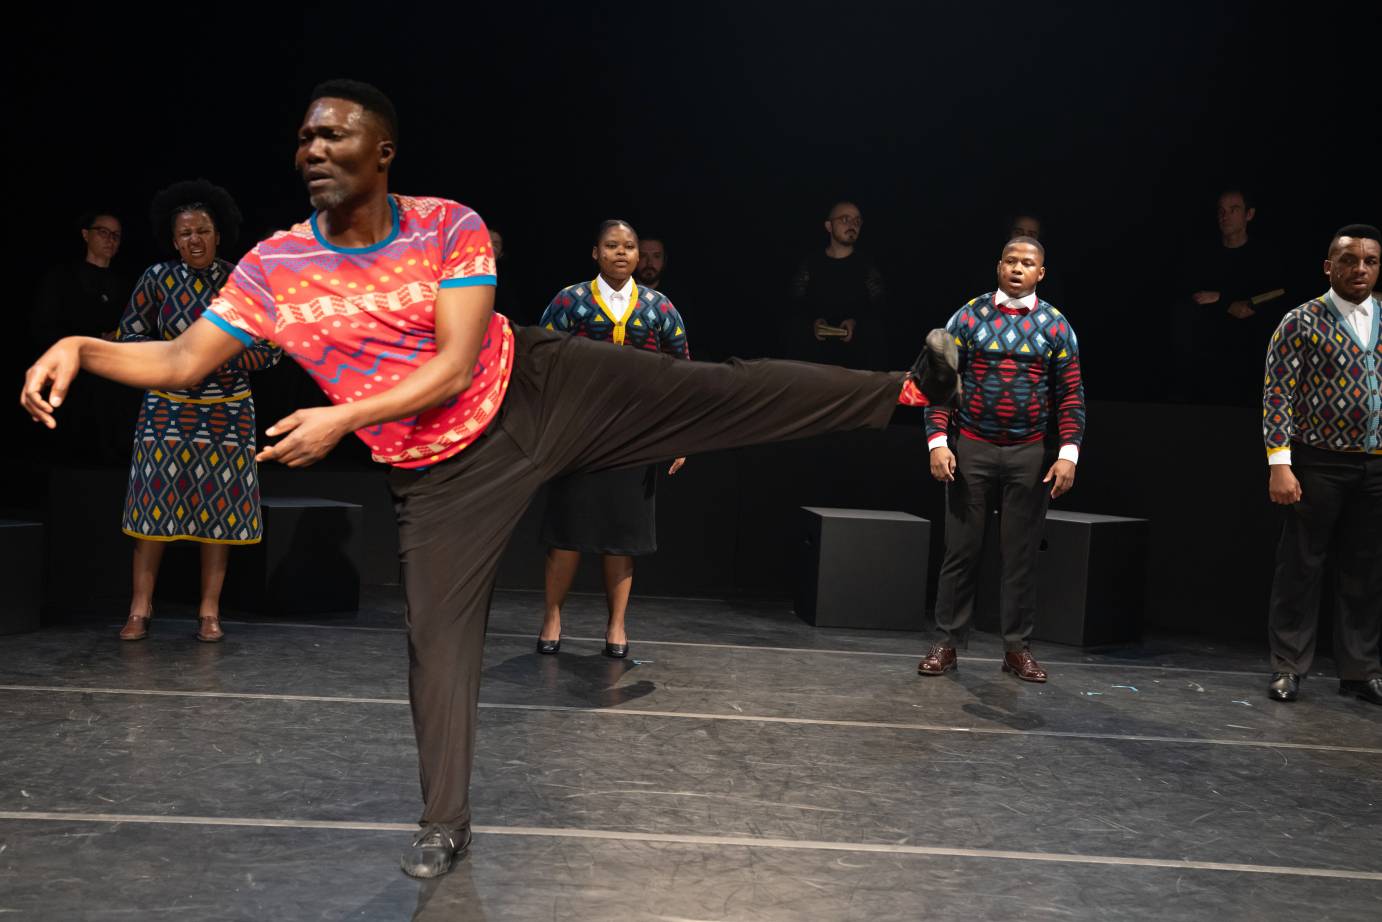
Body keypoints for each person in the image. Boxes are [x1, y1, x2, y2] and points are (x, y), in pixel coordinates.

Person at [20, 79, 957, 880]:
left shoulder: (446, 227)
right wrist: (79, 346)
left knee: (710, 389)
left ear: (381, 151)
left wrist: (342, 417)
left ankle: (907, 386)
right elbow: (183, 360)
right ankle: (445, 821)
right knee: (436, 643)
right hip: (436, 476)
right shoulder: (274, 266)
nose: (312, 146)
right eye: (303, 135)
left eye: (333, 132)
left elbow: (457, 362)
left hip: (537, 390)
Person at [115, 180, 281, 644]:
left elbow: (269, 349)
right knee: (152, 511)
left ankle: (209, 612)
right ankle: (140, 608)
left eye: (202, 230)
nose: (194, 240)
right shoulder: (156, 278)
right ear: (174, 241)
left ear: (217, 233)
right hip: (166, 410)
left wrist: (216, 357)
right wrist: (171, 358)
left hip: (228, 413)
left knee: (220, 513)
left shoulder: (241, 281)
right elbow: (128, 336)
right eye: (185, 233)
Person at [917, 236, 1086, 684]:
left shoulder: (1055, 325)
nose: (1017, 269)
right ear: (998, 266)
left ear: (1040, 273)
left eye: (1027, 263)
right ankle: (947, 643)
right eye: (1010, 261)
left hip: (1029, 452)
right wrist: (938, 442)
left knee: (1020, 556)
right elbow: (940, 383)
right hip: (971, 445)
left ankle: (1016, 649)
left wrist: (1067, 453)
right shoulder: (969, 317)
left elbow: (1071, 395)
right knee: (961, 550)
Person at [535, 220, 690, 659]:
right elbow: (540, 360)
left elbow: (681, 374)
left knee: (622, 535)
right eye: (611, 246)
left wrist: (679, 435)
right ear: (596, 253)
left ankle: (617, 626)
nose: (621, 253)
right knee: (567, 530)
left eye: (629, 247)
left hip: (634, 437)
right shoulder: (571, 301)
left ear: (639, 256)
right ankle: (552, 616)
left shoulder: (660, 309)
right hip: (578, 433)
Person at [1262, 224, 1382, 706]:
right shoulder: (1302, 320)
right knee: (1302, 567)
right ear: (1329, 266)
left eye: (1370, 261)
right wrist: (1280, 464)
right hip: (1318, 463)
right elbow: (1277, 396)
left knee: (1366, 571)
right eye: (1349, 260)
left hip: (1374, 466)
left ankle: (1360, 669)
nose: (1360, 269)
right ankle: (1288, 665)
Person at [30, 210, 134, 463]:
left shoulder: (126, 285)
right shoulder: (61, 278)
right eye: (103, 232)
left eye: (116, 236)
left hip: (112, 385)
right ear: (85, 235)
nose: (110, 239)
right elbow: (44, 326)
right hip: (72, 385)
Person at [1181, 188, 1286, 405]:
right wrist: (1229, 303)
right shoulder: (1202, 256)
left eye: (1233, 209)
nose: (1224, 215)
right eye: (1221, 210)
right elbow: (1196, 299)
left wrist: (1221, 299)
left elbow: (1263, 302)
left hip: (1252, 367)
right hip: (1209, 365)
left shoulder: (1265, 256)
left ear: (1249, 214)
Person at [784, 200, 888, 369]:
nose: (853, 225)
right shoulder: (811, 264)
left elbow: (880, 309)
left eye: (857, 221)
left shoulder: (867, 267)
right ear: (829, 226)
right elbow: (794, 306)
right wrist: (814, 323)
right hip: (814, 364)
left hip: (855, 365)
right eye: (845, 219)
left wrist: (855, 323)